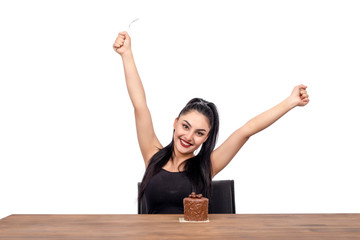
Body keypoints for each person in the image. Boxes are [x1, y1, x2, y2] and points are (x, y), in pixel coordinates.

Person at [113, 31, 310, 214]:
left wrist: (290, 102)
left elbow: (246, 131)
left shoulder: (207, 166)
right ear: (175, 123)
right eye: (185, 126)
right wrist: (126, 54)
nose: (189, 137)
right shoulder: (152, 154)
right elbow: (140, 105)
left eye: (199, 132)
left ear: (206, 137)